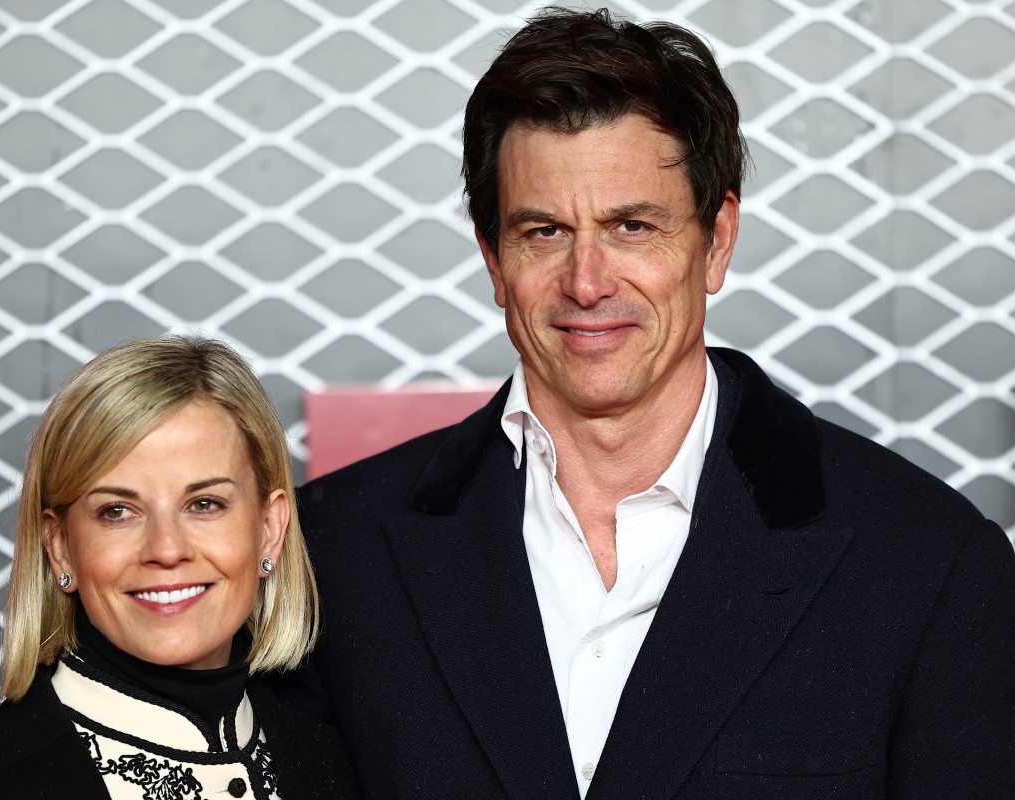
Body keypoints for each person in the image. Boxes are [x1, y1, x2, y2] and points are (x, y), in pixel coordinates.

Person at [290, 7, 1015, 799]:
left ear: (718, 241)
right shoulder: (335, 551)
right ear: (494, 261)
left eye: (631, 226)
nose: (588, 281)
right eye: (543, 232)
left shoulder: (927, 562)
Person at [0, 336, 359, 799]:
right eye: (117, 511)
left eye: (205, 504)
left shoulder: (351, 764)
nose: (167, 548)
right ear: (60, 547)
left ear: (270, 529)